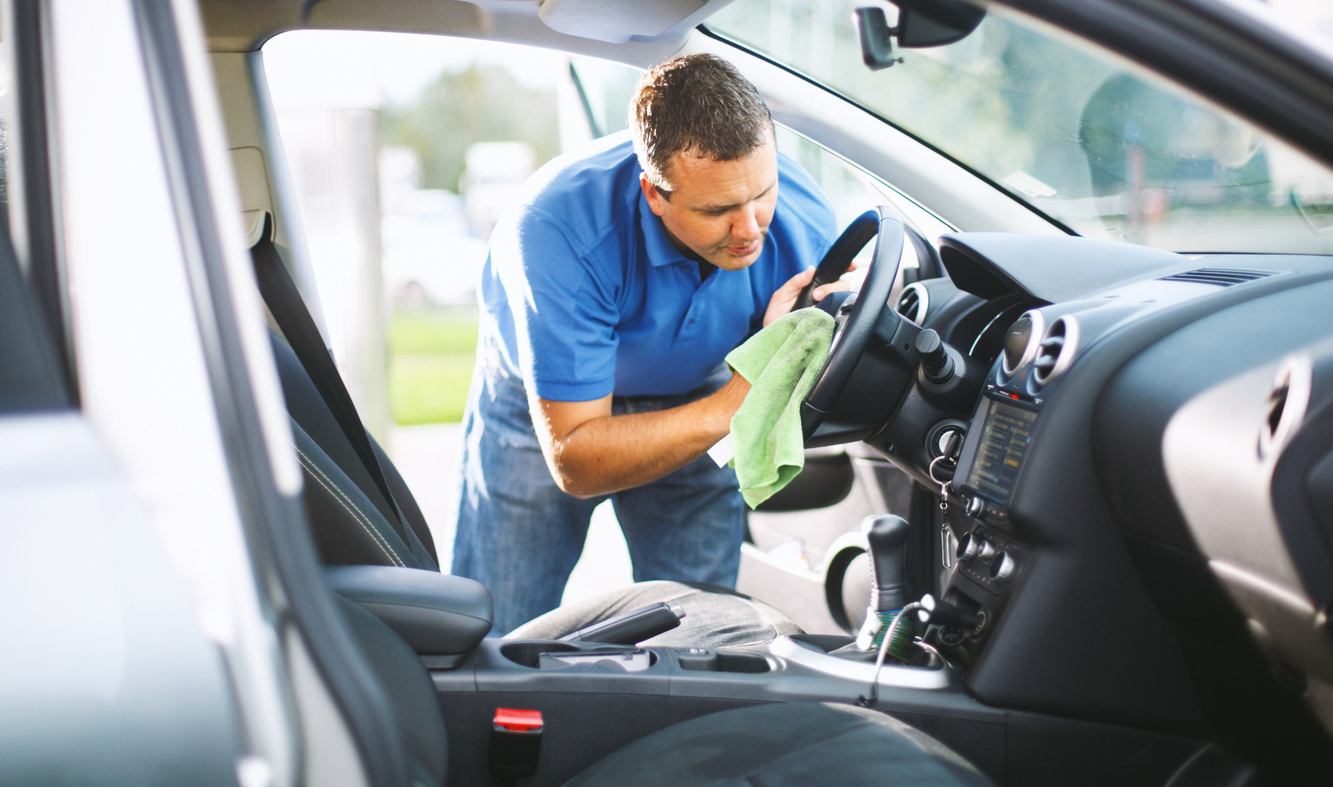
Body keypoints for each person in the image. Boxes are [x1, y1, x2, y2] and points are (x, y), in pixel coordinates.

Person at [453, 53, 841, 634]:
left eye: (761, 192)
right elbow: (577, 459)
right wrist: (737, 404)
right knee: (496, 634)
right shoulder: (557, 229)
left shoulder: (804, 224)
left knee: (700, 637)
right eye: (717, 210)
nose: (750, 228)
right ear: (654, 195)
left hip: (702, 385)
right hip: (547, 410)